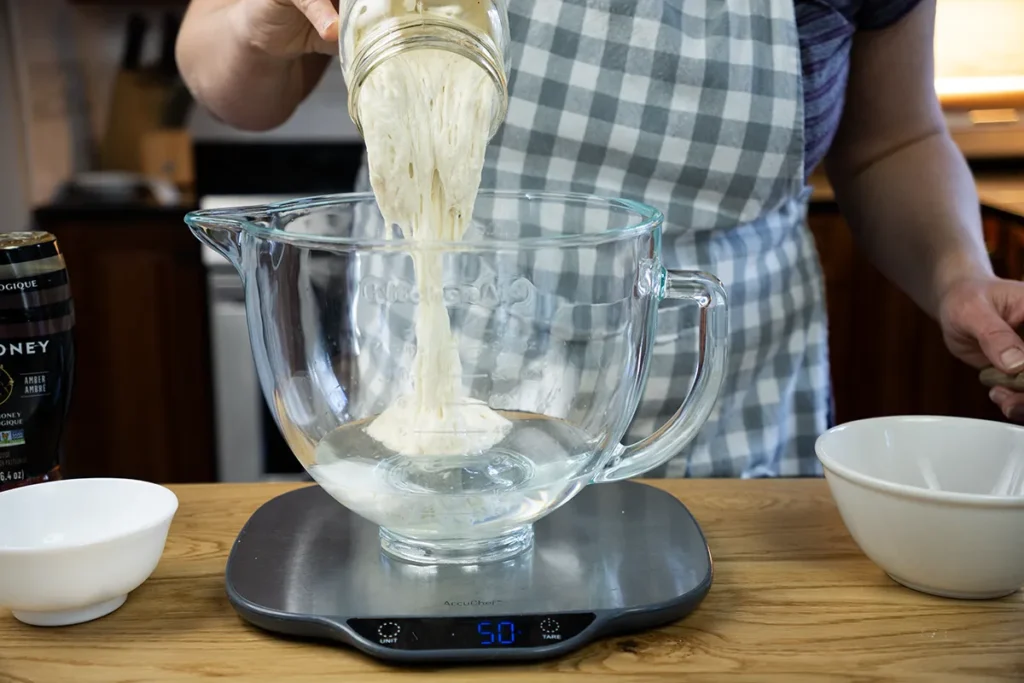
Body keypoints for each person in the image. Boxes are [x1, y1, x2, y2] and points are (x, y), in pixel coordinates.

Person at [177, 0, 1024, 478]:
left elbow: (891, 140)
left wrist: (959, 273)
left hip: (730, 405)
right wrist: (251, 24)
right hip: (438, 378)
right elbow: (222, 71)